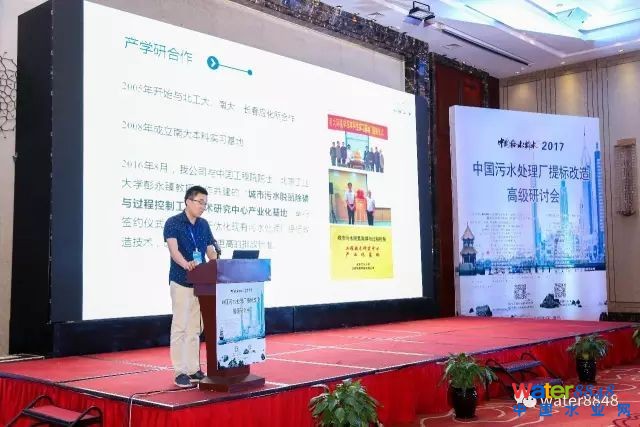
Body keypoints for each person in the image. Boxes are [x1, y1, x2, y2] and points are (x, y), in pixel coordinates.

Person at [163, 185, 219, 387]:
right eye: (200, 202)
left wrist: (216, 260)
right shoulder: (173, 222)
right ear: (188, 201)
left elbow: (210, 249)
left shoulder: (203, 225)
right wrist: (186, 264)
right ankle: (180, 371)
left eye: (205, 203)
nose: (203, 206)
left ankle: (194, 369)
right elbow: (173, 250)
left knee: (195, 328)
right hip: (181, 280)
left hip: (200, 283)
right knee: (180, 326)